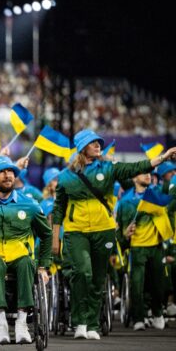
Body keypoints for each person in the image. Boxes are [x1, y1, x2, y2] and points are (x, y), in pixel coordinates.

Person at [51, 129, 176, 340]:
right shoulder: (65, 177)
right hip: (76, 231)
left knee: (99, 278)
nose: (98, 145)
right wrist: (55, 239)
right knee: (83, 273)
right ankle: (79, 321)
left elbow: (135, 167)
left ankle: (92, 324)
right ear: (82, 147)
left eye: (99, 142)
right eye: (93, 143)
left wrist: (162, 158)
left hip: (103, 230)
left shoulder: (109, 168)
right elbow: (58, 209)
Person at [0, 156, 52, 344]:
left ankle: (22, 322)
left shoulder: (29, 204)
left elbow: (46, 234)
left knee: (27, 262)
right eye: (3, 171)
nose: (8, 175)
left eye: (11, 171)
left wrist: (43, 266)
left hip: (18, 254)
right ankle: (0, 322)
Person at [115, 173, 172, 330]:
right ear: (133, 179)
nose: (148, 175)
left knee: (159, 285)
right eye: (143, 173)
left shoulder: (157, 194)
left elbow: (170, 184)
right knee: (137, 285)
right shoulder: (125, 202)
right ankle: (138, 318)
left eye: (149, 173)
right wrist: (125, 236)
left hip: (157, 246)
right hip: (138, 248)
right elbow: (120, 234)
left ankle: (158, 314)